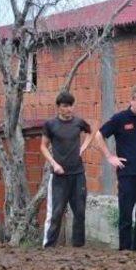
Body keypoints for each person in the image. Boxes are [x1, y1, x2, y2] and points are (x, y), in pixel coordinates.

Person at [94, 85, 136, 251]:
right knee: (126, 214)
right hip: (127, 175)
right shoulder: (120, 119)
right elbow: (98, 135)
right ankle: (124, 250)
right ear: (132, 100)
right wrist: (110, 157)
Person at [40, 91, 93, 247]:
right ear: (58, 107)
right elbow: (43, 146)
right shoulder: (51, 125)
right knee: (56, 213)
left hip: (77, 174)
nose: (69, 109)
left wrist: (82, 148)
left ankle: (78, 247)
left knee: (80, 212)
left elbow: (90, 132)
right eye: (65, 106)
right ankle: (48, 246)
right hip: (59, 176)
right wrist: (54, 164)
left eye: (71, 105)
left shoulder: (78, 122)